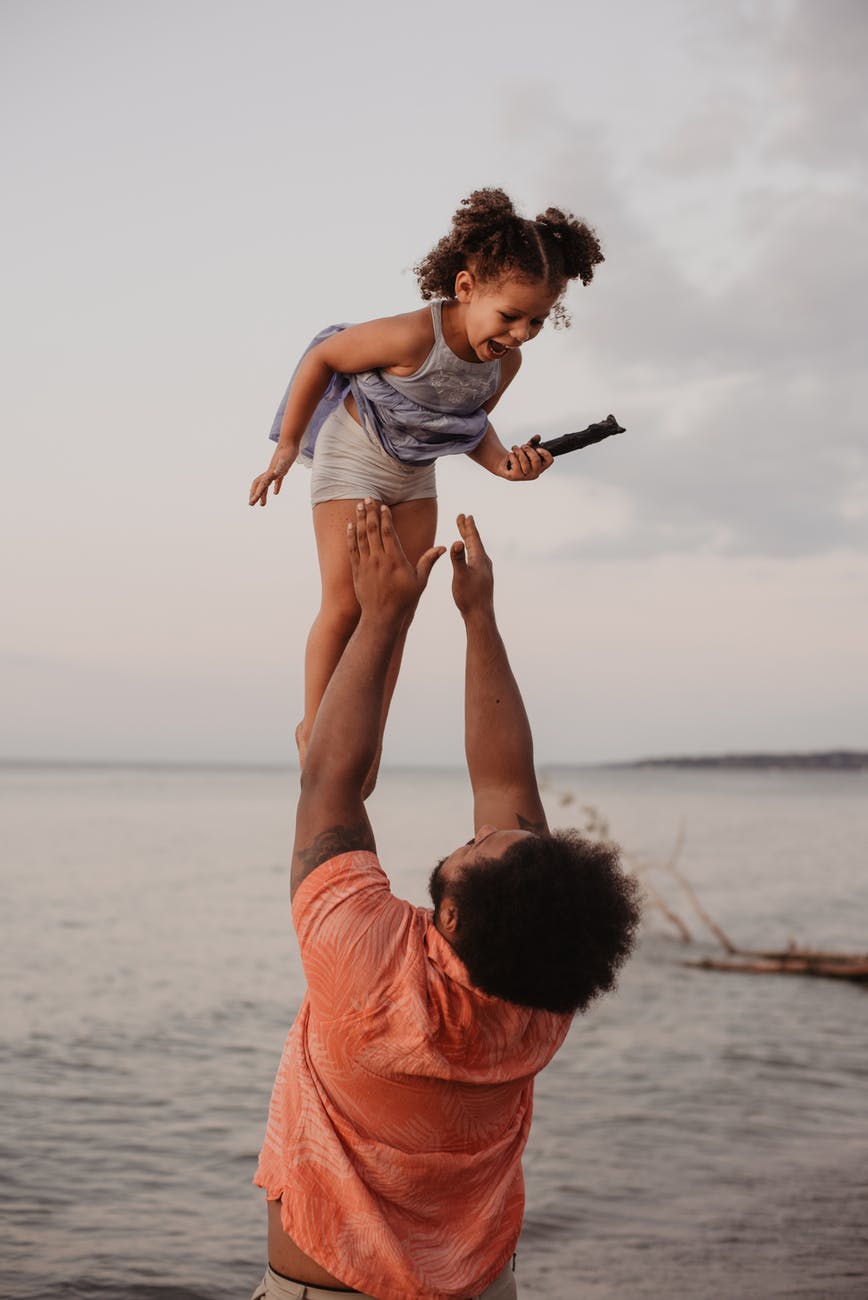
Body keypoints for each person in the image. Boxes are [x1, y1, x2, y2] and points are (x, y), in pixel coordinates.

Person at [252, 503, 640, 1300]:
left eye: (478, 848)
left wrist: (385, 616)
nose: (480, 833)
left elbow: (328, 778)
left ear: (452, 918)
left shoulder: (365, 965)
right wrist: (478, 619)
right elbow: (504, 783)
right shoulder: (541, 997)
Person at [248, 187, 605, 786]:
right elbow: (325, 357)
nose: (520, 332)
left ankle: (367, 734)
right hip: (355, 454)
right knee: (347, 600)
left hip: (415, 472)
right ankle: (315, 725)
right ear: (466, 288)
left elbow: (469, 425)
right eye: (510, 315)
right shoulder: (414, 335)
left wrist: (506, 466)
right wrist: (287, 445)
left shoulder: (503, 364)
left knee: (396, 607)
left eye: (537, 321)